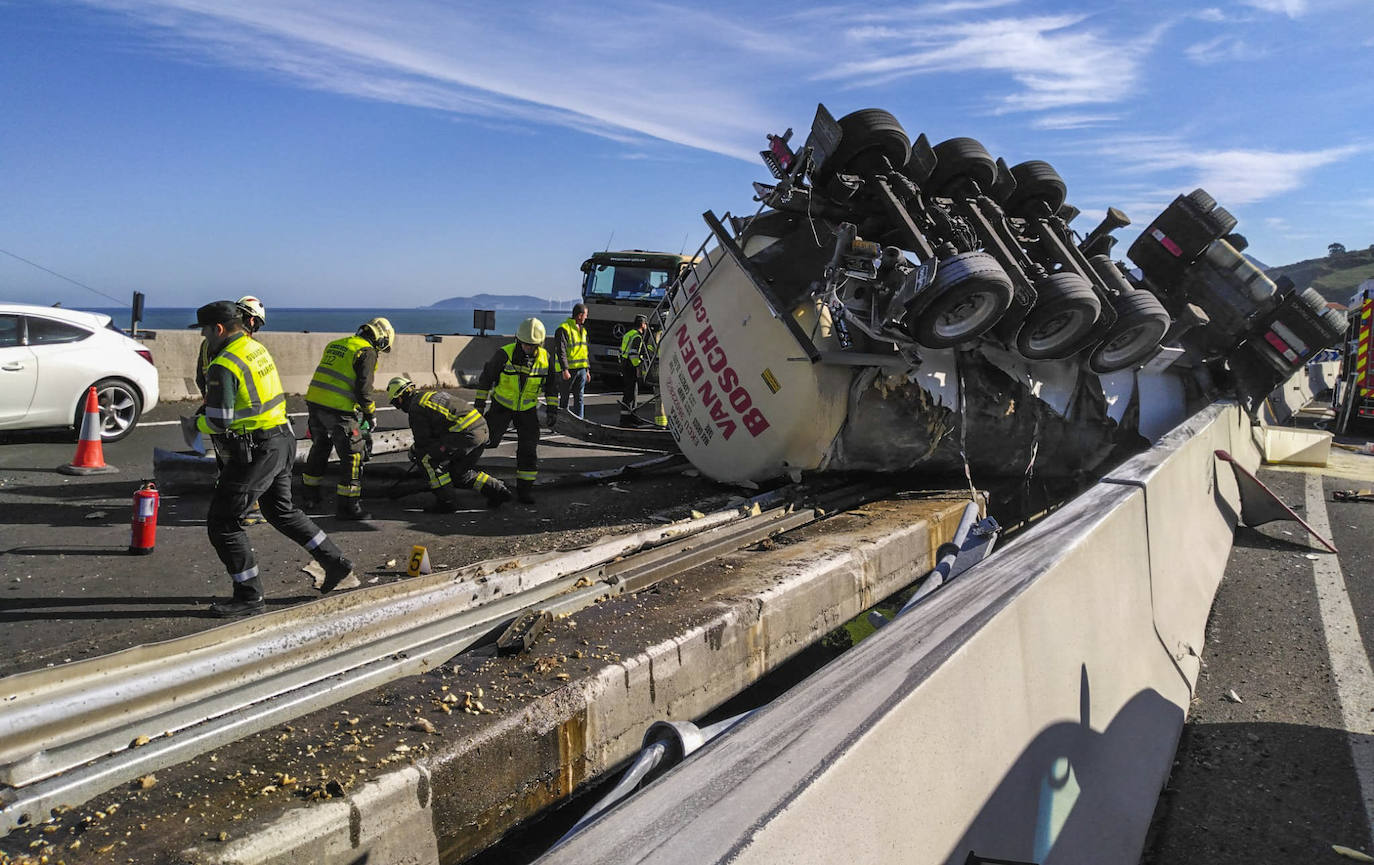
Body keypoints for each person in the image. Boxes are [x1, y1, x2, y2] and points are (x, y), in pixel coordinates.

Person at [191, 301, 355, 617]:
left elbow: (218, 421)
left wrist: (192, 424)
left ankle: (249, 596)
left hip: (257, 449)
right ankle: (335, 562)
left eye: (205, 330)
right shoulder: (255, 349)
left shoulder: (223, 363)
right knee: (280, 510)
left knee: (224, 523)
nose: (203, 335)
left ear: (219, 329)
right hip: (282, 439)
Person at [300, 317, 395, 520]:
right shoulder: (366, 352)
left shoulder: (337, 344)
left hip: (315, 404)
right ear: (381, 339)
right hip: (338, 410)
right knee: (353, 455)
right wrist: (370, 413)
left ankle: (309, 497)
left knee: (320, 448)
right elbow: (363, 389)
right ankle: (348, 506)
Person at [386, 376, 512, 511]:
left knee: (426, 458)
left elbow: (423, 442)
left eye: (396, 403)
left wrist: (414, 451)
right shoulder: (431, 395)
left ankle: (446, 502)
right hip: (481, 432)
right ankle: (498, 491)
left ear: (400, 398)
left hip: (464, 436)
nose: (398, 407)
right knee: (460, 474)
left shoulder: (416, 408)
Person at [196, 296, 269, 527]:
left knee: (225, 462)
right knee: (244, 464)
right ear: (249, 318)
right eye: (255, 322)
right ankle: (245, 511)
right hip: (236, 414)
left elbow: (201, 377)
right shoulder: (242, 344)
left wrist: (209, 400)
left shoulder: (209, 342)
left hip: (214, 405)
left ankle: (228, 504)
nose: (255, 328)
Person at [474, 317, 558, 504]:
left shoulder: (546, 359)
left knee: (528, 450)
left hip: (527, 410)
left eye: (533, 346)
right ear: (518, 341)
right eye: (526, 345)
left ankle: (525, 491)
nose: (529, 349)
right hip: (501, 407)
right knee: (484, 441)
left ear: (540, 344)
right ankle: (465, 473)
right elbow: (486, 379)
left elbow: (552, 386)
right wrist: (479, 405)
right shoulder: (504, 354)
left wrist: (553, 409)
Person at [553, 303, 590, 418]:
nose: (586, 317)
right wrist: (565, 369)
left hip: (581, 369)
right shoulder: (564, 328)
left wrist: (587, 370)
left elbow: (585, 351)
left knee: (579, 398)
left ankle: (580, 422)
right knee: (564, 398)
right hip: (569, 371)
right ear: (579, 315)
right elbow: (561, 350)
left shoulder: (583, 330)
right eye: (585, 315)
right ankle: (562, 423)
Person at [619, 314, 650, 425]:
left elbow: (622, 351)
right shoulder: (637, 336)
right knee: (630, 393)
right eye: (645, 324)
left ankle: (631, 416)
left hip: (625, 364)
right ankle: (626, 419)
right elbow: (633, 354)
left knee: (631, 392)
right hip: (631, 366)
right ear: (642, 324)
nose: (646, 326)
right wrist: (638, 368)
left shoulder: (628, 334)